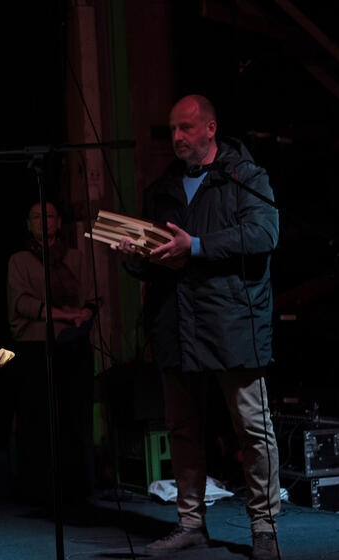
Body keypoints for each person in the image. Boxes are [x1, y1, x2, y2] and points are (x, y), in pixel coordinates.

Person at [113, 94, 280, 559]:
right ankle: (190, 524)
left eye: (186, 128)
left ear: (210, 128)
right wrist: (134, 258)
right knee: (183, 429)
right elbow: (155, 263)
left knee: (252, 427)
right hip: (177, 325)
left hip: (232, 322)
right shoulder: (162, 188)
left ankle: (265, 527)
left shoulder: (245, 177)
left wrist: (199, 245)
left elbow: (264, 234)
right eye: (172, 129)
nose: (177, 137)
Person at [6, 201, 96, 506]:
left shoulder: (75, 258)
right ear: (28, 223)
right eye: (37, 217)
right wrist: (66, 315)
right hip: (36, 346)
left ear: (58, 222)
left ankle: (77, 489)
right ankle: (38, 490)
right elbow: (23, 304)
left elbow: (91, 297)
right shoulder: (20, 260)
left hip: (72, 343)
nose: (44, 221)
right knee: (37, 419)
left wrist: (83, 315)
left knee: (74, 417)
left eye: (50, 216)